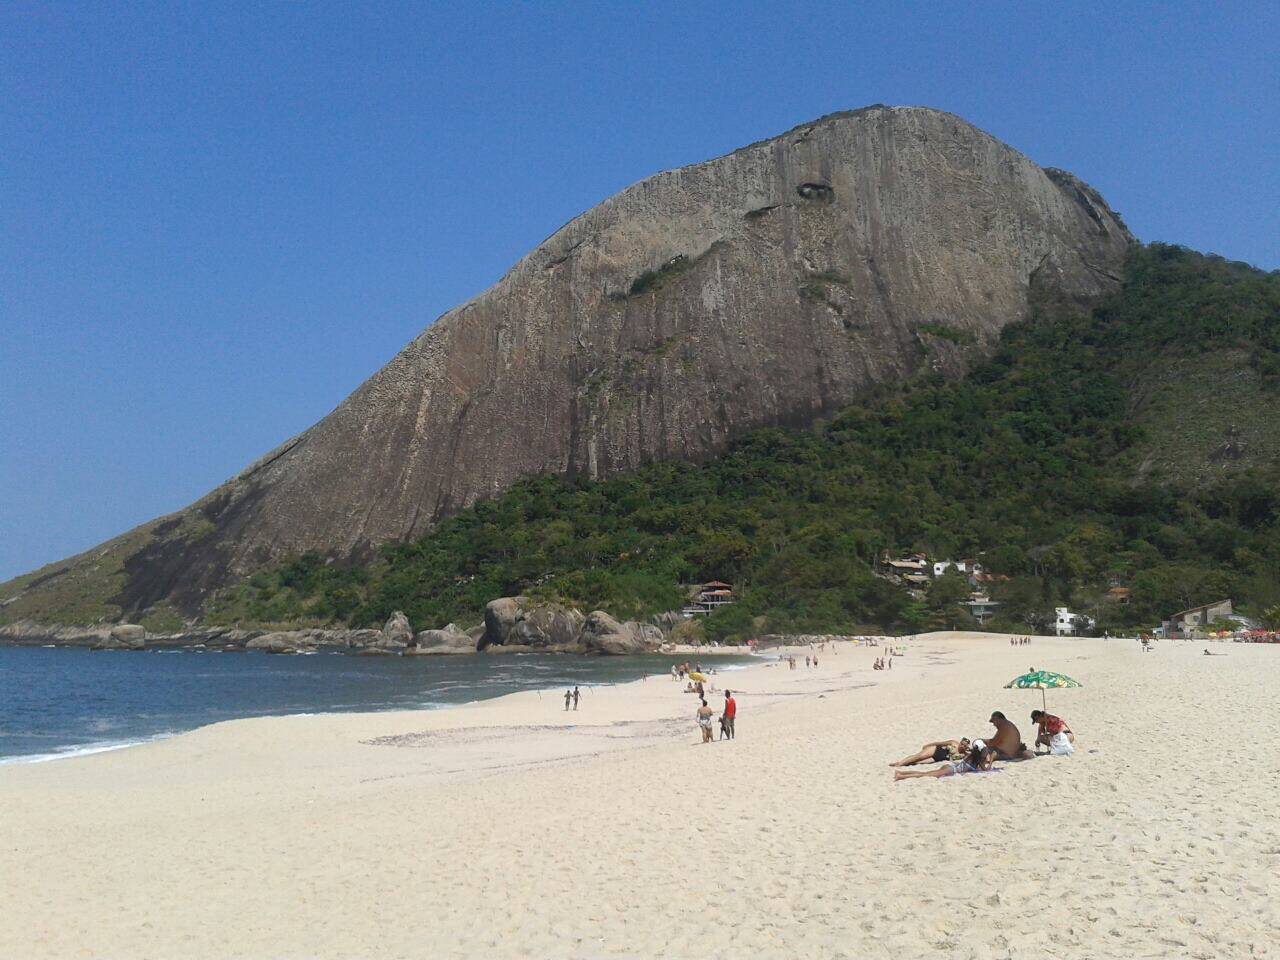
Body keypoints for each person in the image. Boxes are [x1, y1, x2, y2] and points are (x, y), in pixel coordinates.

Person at [894, 741, 997, 782]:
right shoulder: (976, 760)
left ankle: (902, 773)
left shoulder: (972, 756)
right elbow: (985, 769)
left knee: (925, 773)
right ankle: (901, 776)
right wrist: (991, 759)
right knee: (925, 775)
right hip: (950, 770)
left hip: (950, 767)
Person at [889, 737, 971, 768]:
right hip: (936, 750)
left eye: (964, 745)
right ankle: (899, 763)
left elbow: (973, 755)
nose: (962, 746)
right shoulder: (953, 742)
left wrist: (969, 750)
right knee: (918, 756)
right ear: (960, 742)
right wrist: (928, 745)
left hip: (937, 759)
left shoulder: (963, 754)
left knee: (918, 762)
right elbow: (939, 743)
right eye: (962, 744)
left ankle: (903, 763)